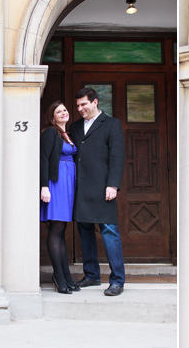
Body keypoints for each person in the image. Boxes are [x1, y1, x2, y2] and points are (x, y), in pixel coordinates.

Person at [68, 87, 126, 296]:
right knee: (84, 233)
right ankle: (91, 275)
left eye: (83, 104)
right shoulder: (74, 127)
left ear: (95, 102)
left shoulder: (111, 124)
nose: (80, 109)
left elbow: (117, 157)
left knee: (110, 233)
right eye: (77, 106)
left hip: (103, 188)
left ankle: (118, 280)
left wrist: (113, 185)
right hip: (81, 189)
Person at [40, 100, 79, 294]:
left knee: (61, 229)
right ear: (52, 116)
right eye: (58, 111)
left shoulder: (67, 134)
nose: (63, 113)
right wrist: (44, 186)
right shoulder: (50, 132)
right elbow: (44, 159)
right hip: (55, 185)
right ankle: (59, 276)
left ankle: (67, 276)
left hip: (68, 184)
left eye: (64, 110)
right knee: (56, 229)